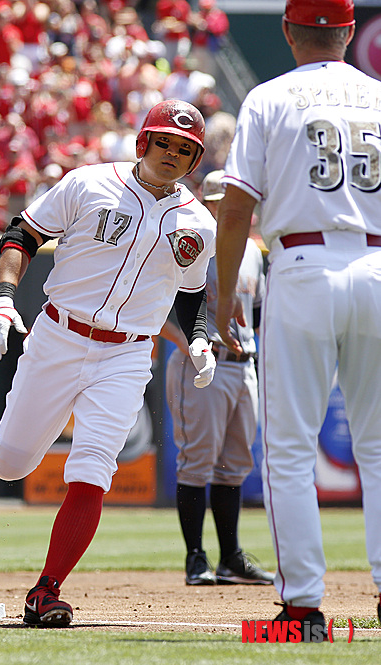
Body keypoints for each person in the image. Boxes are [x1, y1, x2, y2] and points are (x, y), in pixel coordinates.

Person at [0, 99, 217, 628]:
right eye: (164, 143)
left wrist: (199, 339)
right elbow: (22, 234)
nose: (172, 155)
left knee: (92, 470)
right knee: (11, 463)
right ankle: (12, 444)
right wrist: (2, 298)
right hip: (59, 335)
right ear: (143, 143)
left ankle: (47, 590)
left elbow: (191, 295)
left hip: (129, 352)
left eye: (185, 150)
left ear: (194, 159)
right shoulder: (88, 183)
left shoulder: (197, 222)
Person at [215, 0, 381, 639]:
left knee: (287, 451)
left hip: (302, 265)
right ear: (347, 31)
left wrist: (228, 291)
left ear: (288, 30)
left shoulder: (267, 98)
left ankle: (304, 609)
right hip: (375, 265)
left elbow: (235, 211)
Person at [164, 169, 272, 587]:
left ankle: (230, 558)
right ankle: (196, 559)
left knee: (234, 466)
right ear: (207, 203)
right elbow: (158, 310)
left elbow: (258, 316)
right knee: (197, 463)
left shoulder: (251, 252)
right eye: (222, 201)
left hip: (244, 364)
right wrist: (187, 346)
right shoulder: (191, 247)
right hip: (202, 364)